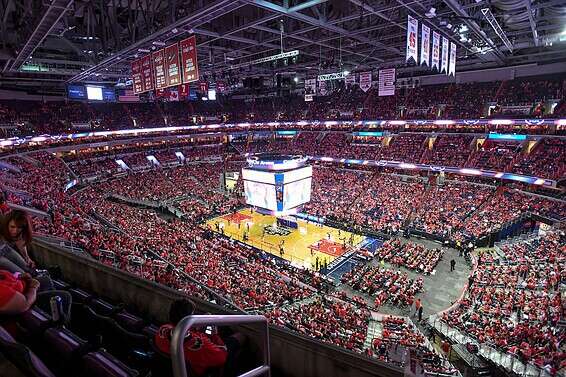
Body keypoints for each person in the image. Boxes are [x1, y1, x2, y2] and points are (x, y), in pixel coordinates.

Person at [154, 299, 245, 377]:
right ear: (188, 318)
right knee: (240, 336)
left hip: (169, 370)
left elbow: (181, 332)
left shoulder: (163, 329)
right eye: (193, 314)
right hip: (200, 366)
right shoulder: (199, 344)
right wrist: (214, 335)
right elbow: (221, 358)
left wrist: (195, 328)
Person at [0, 269, 72, 323]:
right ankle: (61, 326)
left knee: (45, 280)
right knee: (65, 296)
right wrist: (33, 287)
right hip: (25, 305)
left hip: (22, 288)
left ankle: (52, 313)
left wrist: (18, 277)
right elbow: (24, 305)